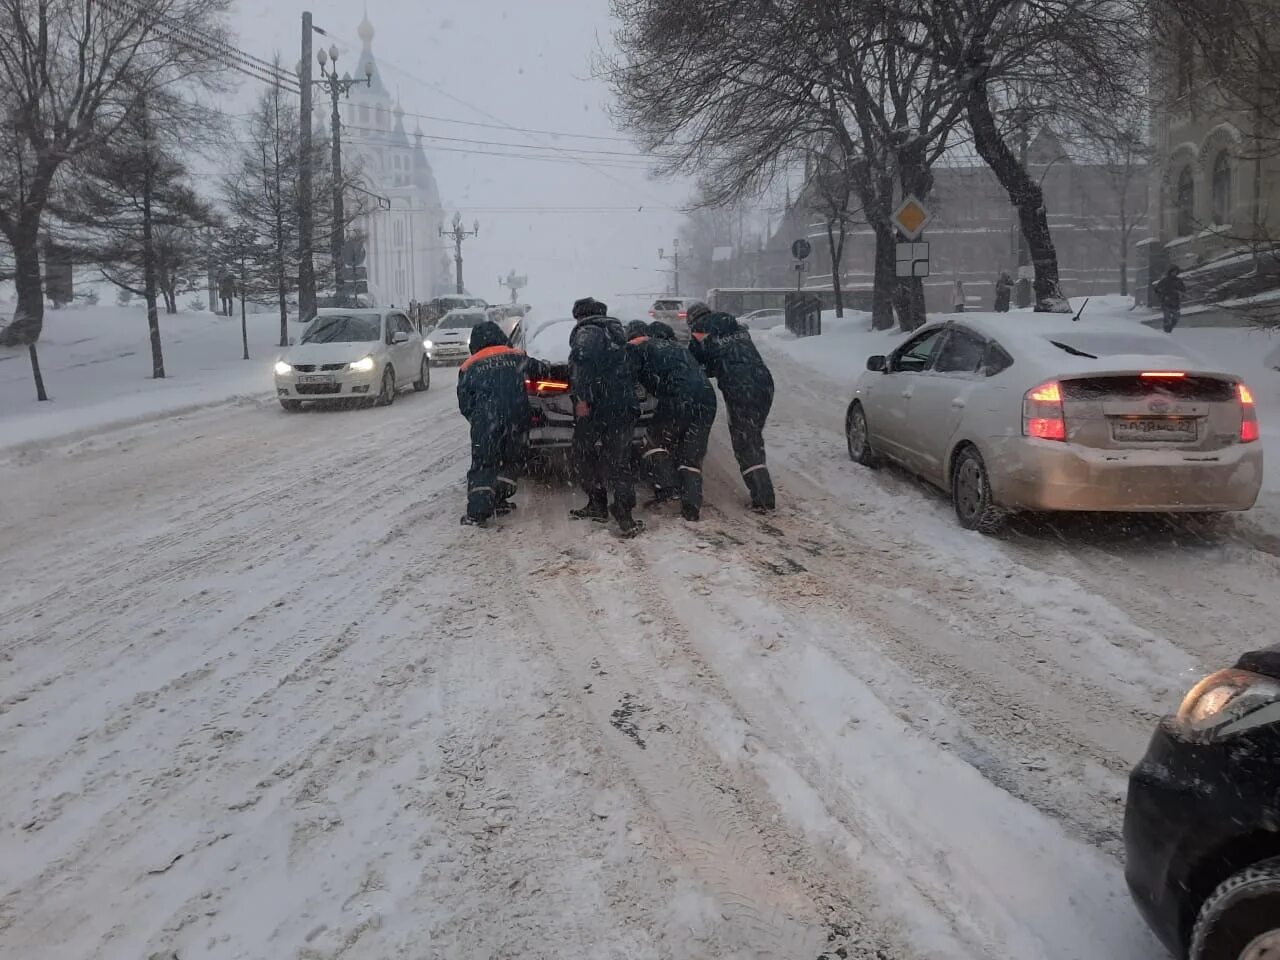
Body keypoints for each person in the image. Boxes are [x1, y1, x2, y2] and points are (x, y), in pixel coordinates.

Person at [687, 302, 776, 512]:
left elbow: (694, 365)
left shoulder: (700, 331)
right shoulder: (736, 325)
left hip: (738, 385)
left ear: (692, 320)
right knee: (752, 434)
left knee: (745, 442)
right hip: (764, 381)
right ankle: (762, 488)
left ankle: (764, 499)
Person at [567, 297, 643, 537]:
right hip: (623, 404)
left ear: (580, 315)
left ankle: (597, 504)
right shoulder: (618, 333)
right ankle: (624, 514)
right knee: (619, 460)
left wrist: (582, 399)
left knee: (582, 453)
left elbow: (583, 364)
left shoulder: (587, 332)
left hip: (598, 406)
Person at [628, 319, 718, 521]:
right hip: (707, 398)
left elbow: (629, 375)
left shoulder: (638, 346)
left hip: (678, 397)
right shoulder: (678, 347)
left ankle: (669, 491)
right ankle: (691, 506)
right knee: (691, 453)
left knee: (653, 442)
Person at [456, 320, 536, 527]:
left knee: (484, 463)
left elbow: (465, 402)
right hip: (517, 418)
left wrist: (478, 420)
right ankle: (499, 499)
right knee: (511, 460)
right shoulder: (517, 356)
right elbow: (542, 370)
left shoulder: (469, 366)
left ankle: (478, 513)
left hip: (485, 420)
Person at [1153, 265, 1186, 333]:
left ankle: (1170, 328)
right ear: (1170, 272)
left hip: (1175, 302)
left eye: (1176, 272)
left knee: (1176, 317)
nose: (1174, 273)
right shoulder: (1164, 280)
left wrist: (1180, 294)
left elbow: (1183, 290)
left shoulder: (1179, 281)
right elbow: (1157, 290)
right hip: (1166, 302)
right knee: (1167, 318)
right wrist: (1163, 295)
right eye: (1173, 272)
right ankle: (1166, 331)